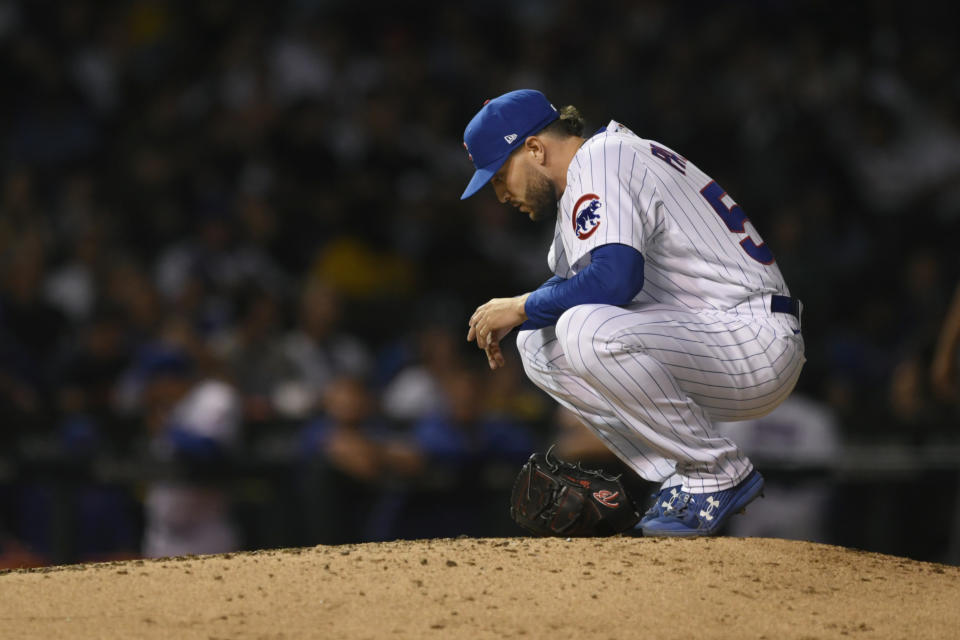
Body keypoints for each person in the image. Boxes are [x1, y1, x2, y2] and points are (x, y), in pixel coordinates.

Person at [460, 89, 805, 537]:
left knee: (583, 327)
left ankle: (715, 471)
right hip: (710, 337)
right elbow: (575, 283)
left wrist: (521, 305)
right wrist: (521, 313)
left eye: (499, 176)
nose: (501, 195)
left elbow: (614, 281)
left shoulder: (602, 160)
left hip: (751, 337)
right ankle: (682, 479)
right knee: (538, 342)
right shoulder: (591, 175)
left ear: (535, 148)